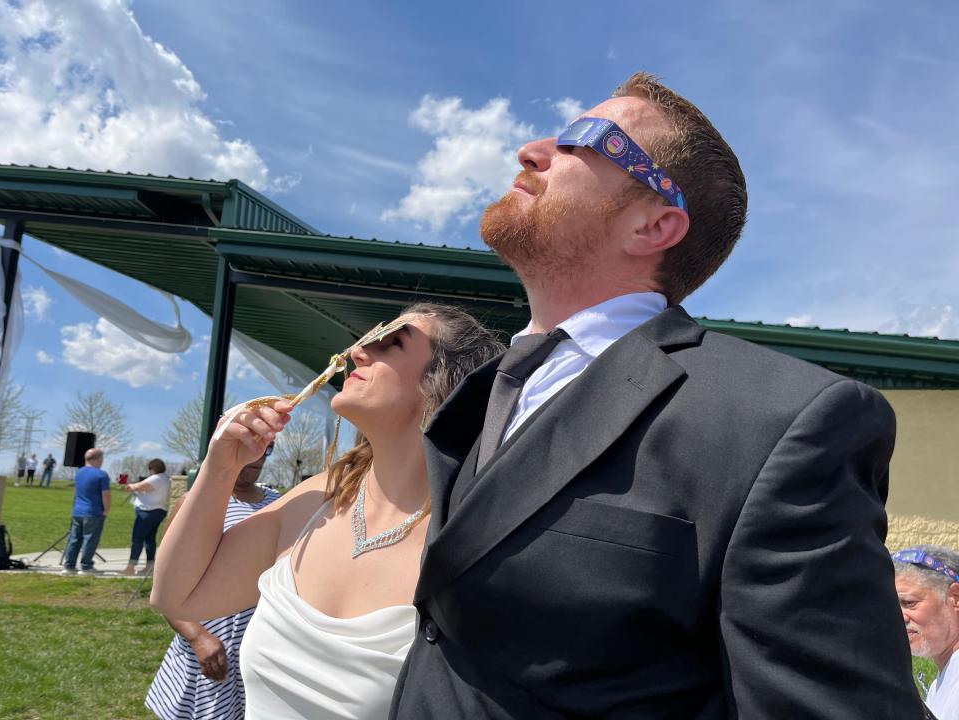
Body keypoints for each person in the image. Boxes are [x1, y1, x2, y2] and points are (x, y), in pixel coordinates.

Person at [388, 72, 926, 719]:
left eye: (582, 139)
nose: (531, 150)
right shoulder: (479, 397)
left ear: (654, 224)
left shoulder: (783, 423)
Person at [151, 304, 503, 718]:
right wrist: (219, 468)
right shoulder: (316, 499)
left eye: (391, 343)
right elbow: (176, 596)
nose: (357, 352)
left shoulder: (473, 541)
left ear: (445, 384)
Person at [145, 446, 280, 720]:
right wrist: (198, 637)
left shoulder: (281, 503)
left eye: (265, 449)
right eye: (248, 448)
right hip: (211, 649)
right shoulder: (195, 502)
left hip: (262, 646)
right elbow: (166, 581)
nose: (256, 457)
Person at [894, 546, 959, 718]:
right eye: (894, 606)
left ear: (955, 597)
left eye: (909, 603)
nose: (899, 617)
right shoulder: (943, 681)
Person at [61, 447, 110, 575]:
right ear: (98, 459)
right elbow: (105, 494)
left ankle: (69, 565)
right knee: (90, 539)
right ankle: (86, 566)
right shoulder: (101, 474)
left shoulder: (79, 473)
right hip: (93, 511)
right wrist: (106, 509)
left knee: (74, 538)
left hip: (77, 511)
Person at [119, 458, 171, 576]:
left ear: (152, 468)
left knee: (137, 538)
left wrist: (129, 485)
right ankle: (150, 565)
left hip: (147, 511)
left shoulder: (156, 478)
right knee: (149, 539)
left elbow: (139, 487)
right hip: (158, 511)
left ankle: (131, 567)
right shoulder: (165, 479)